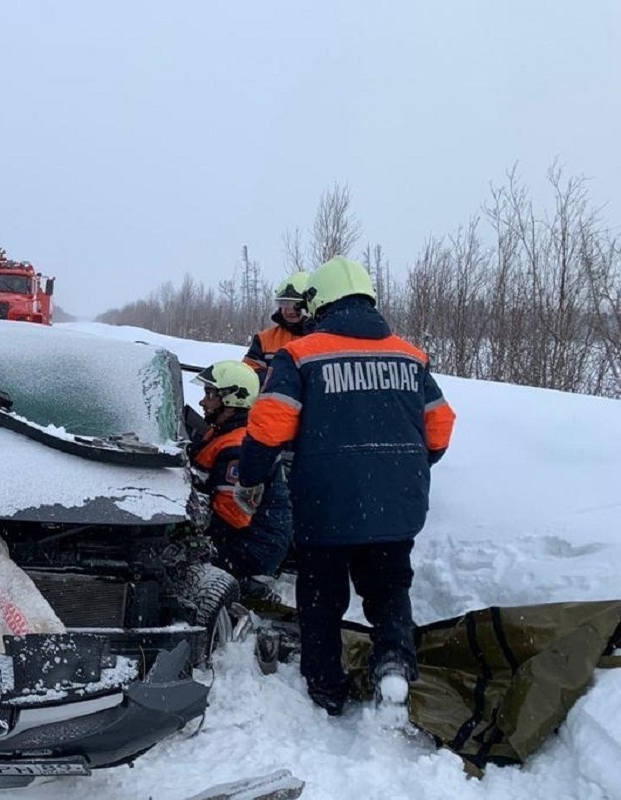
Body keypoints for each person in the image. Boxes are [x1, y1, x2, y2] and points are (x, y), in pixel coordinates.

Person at [237, 256, 456, 717]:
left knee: (322, 595)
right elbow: (439, 429)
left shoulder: (300, 355)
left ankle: (326, 688)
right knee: (389, 588)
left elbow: (267, 428)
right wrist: (407, 468)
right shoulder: (411, 357)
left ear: (320, 302)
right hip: (398, 503)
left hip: (326, 502)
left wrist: (251, 477)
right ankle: (394, 664)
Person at [187, 360, 292, 599]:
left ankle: (245, 586)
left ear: (231, 399)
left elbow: (232, 516)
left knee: (172, 563)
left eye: (210, 394)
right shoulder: (224, 431)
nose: (203, 401)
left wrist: (183, 531)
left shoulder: (238, 447)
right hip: (251, 539)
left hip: (252, 547)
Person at [243, 272, 310, 385]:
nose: (289, 310)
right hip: (272, 401)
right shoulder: (264, 340)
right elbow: (247, 373)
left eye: (295, 305)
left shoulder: (322, 337)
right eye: (284, 304)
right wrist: (280, 380)